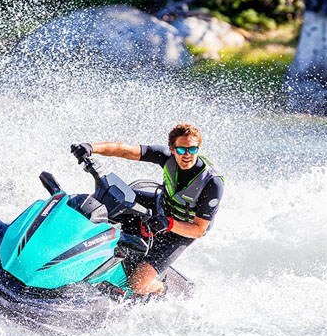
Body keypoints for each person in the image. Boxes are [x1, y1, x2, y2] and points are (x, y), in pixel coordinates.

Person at [70, 123, 223, 296]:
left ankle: (163, 289)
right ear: (172, 149)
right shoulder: (165, 157)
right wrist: (91, 147)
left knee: (138, 284)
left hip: (182, 229)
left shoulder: (212, 183)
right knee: (109, 199)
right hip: (161, 206)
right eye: (181, 150)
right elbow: (124, 150)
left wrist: (169, 223)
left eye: (192, 150)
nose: (187, 155)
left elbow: (199, 230)